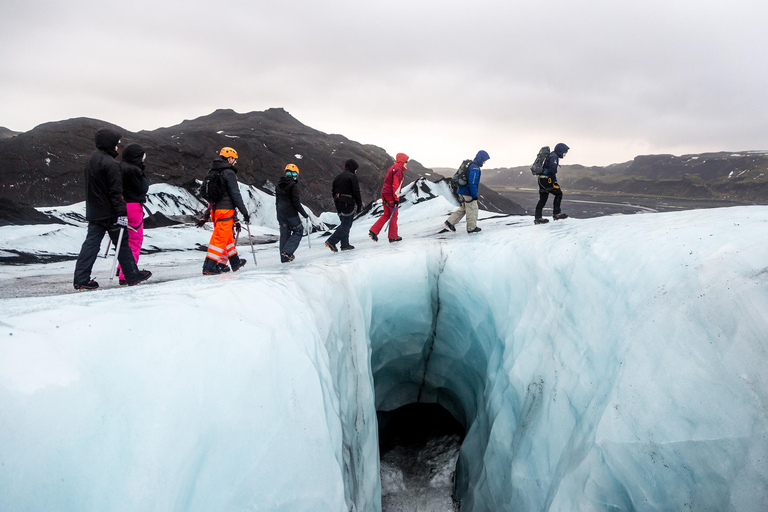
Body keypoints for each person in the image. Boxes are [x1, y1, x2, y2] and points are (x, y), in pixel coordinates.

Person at [72, 128, 151, 290]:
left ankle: (81, 279)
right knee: (122, 244)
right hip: (110, 213)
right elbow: (116, 192)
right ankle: (131, 275)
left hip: (94, 211)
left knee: (91, 244)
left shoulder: (92, 160)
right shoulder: (110, 164)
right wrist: (121, 213)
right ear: (109, 143)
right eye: (116, 144)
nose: (117, 147)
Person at [200, 147, 250, 275]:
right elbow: (235, 194)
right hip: (226, 211)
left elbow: (203, 192)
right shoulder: (229, 173)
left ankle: (235, 262)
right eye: (235, 159)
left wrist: (214, 202)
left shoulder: (211, 171)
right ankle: (209, 267)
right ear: (230, 158)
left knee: (227, 238)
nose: (235, 162)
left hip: (215, 210)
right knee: (219, 240)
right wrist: (244, 212)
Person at [116, 143, 150, 285]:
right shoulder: (133, 170)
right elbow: (143, 188)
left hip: (120, 207)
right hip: (133, 207)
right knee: (135, 240)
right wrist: (141, 171)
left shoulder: (119, 167)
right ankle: (128, 273)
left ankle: (121, 268)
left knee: (124, 240)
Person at [444, 150, 490, 234]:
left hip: (461, 190)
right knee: (472, 209)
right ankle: (471, 228)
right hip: (467, 192)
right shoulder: (475, 168)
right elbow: (472, 182)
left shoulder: (469, 165)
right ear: (481, 158)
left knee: (464, 208)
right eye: (484, 160)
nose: (484, 162)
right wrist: (474, 195)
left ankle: (450, 222)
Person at [369, 152, 408, 243]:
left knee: (386, 214)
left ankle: (373, 231)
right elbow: (396, 185)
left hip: (384, 194)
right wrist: (396, 198)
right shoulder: (398, 170)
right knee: (393, 216)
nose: (406, 163)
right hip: (391, 195)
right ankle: (393, 237)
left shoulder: (392, 168)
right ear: (402, 161)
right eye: (406, 161)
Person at [325, 159, 363, 253]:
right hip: (347, 202)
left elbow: (333, 191)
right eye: (356, 169)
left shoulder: (338, 177)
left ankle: (345, 245)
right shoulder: (352, 176)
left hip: (338, 203)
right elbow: (356, 191)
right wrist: (359, 204)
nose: (356, 171)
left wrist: (337, 199)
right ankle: (331, 241)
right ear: (353, 167)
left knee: (344, 223)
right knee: (346, 224)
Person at [275, 163, 309, 262]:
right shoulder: (293, 185)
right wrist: (304, 214)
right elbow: (296, 203)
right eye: (295, 175)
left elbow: (277, 202)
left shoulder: (278, 185)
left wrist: (278, 215)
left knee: (284, 233)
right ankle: (287, 252)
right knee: (298, 230)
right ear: (294, 174)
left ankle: (283, 257)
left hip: (280, 213)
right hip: (290, 213)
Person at [534, 143, 570, 224]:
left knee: (543, 199)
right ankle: (556, 214)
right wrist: (554, 182)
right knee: (559, 194)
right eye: (565, 152)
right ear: (560, 151)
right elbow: (552, 171)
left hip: (542, 180)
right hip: (547, 180)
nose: (565, 154)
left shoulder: (551, 155)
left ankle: (538, 218)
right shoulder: (554, 157)